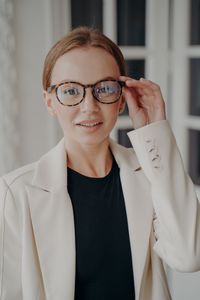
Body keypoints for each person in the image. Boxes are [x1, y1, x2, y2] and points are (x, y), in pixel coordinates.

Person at [0, 26, 200, 300]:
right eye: (70, 91)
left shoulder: (149, 174)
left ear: (121, 99)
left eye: (104, 88)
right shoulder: (15, 192)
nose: (89, 106)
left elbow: (189, 255)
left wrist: (156, 132)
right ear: (49, 102)